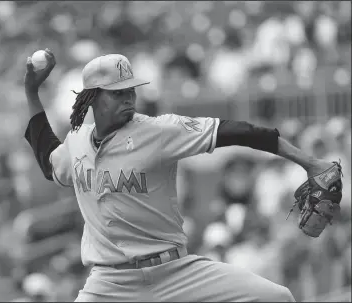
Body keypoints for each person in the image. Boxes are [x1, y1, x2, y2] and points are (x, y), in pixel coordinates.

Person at [24, 49, 336, 302]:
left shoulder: (158, 131)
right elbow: (48, 158)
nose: (128, 98)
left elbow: (238, 132)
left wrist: (307, 162)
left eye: (130, 89)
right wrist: (32, 92)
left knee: (275, 297)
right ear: (92, 98)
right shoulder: (77, 142)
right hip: (109, 283)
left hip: (175, 272)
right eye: (117, 93)